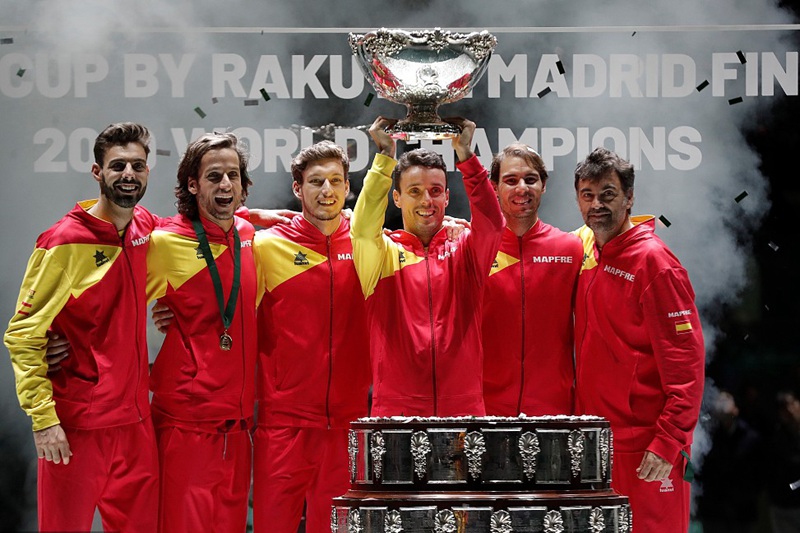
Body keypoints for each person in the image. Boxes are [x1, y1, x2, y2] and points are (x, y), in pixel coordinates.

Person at [4, 122, 159, 532]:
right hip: (76, 427)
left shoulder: (144, 226)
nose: (129, 174)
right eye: (118, 165)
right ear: (97, 172)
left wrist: (255, 216)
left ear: (148, 171)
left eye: (137, 166)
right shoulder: (63, 242)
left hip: (136, 425)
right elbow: (23, 334)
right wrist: (44, 420)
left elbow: (191, 232)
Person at [572, 147, 705, 533]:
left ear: (629, 197)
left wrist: (669, 441)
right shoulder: (590, 251)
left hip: (648, 448)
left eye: (608, 194)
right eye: (587, 195)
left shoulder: (655, 263)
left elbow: (687, 364)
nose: (597, 205)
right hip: (599, 445)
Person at [249, 140, 371, 533]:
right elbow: (221, 296)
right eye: (316, 181)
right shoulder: (266, 246)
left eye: (336, 180)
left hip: (347, 423)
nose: (327, 190)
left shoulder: (369, 245)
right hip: (283, 423)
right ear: (298, 188)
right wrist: (176, 312)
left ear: (348, 187)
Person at [351, 116, 504, 417]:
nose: (426, 200)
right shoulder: (381, 255)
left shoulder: (465, 251)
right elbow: (363, 228)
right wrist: (384, 156)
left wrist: (466, 155)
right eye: (414, 191)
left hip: (463, 411)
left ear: (447, 196)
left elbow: (493, 225)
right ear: (396, 198)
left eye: (435, 190)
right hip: (396, 412)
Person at [145, 132, 257, 532]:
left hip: (238, 428)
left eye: (233, 175)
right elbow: (110, 297)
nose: (225, 184)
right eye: (213, 176)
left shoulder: (248, 236)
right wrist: (63, 337)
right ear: (192, 185)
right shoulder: (164, 242)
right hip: (185, 427)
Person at [482, 143, 583, 416]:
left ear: (544, 185)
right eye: (510, 180)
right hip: (484, 412)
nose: (522, 188)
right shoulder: (474, 247)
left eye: (530, 179)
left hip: (555, 410)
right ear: (493, 187)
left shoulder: (570, 248)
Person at [696, 390, 764, 533]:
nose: (721, 402)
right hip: (714, 511)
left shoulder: (750, 438)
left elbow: (758, 475)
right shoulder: (708, 437)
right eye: (719, 399)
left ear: (736, 409)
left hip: (742, 511)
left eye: (727, 399)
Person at [766, 390, 800, 532]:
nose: (790, 410)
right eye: (784, 408)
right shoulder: (776, 440)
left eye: (792, 404)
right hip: (784, 507)